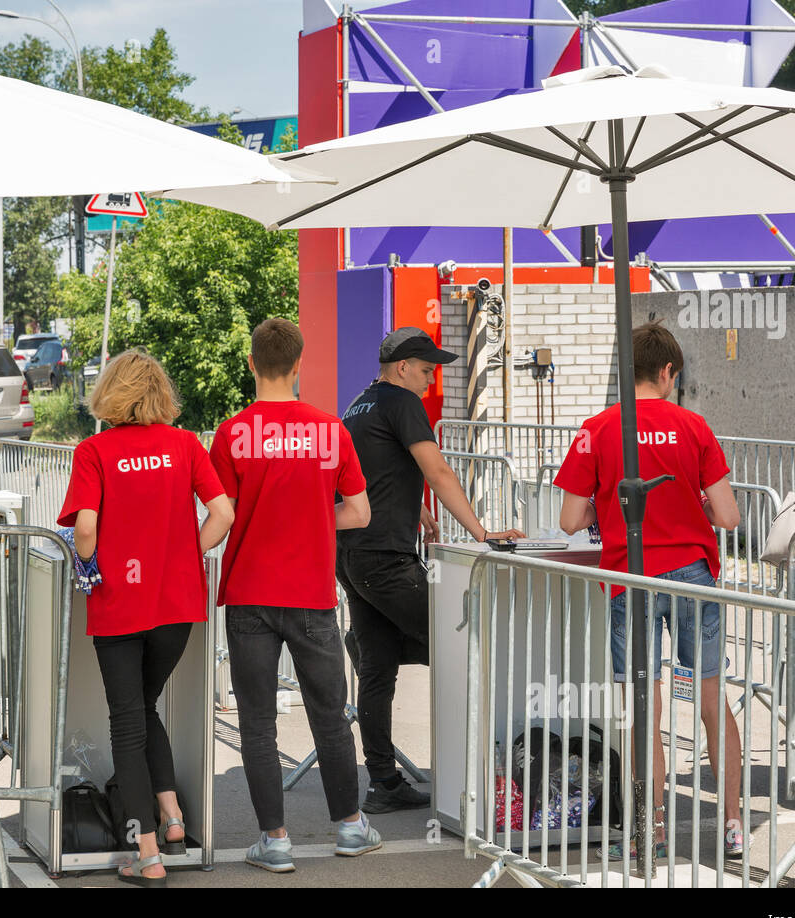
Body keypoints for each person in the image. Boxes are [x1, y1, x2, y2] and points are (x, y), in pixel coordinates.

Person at [555, 322, 745, 860]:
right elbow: (729, 515)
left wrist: (605, 508)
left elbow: (570, 519)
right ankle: (731, 824)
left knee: (643, 713)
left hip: (630, 576)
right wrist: (699, 508)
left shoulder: (597, 428)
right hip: (692, 574)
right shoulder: (694, 425)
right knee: (711, 701)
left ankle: (650, 828)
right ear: (667, 372)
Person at [209, 317, 379, 873]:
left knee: (257, 724)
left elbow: (222, 515)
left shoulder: (232, 434)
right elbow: (359, 511)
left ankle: (275, 841)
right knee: (329, 716)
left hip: (250, 596)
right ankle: (350, 828)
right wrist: (312, 516)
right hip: (311, 595)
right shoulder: (332, 431)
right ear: (299, 364)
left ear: (252, 364)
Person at [57, 350, 233, 887]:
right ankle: (173, 817)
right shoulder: (184, 445)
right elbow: (223, 513)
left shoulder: (94, 451)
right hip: (177, 606)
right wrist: (185, 557)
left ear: (110, 393)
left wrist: (87, 564)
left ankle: (148, 852)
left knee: (126, 725)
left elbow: (84, 530)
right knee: (143, 706)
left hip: (118, 606)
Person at [337, 326, 522, 813]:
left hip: (353, 555)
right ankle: (485, 776)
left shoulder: (358, 405)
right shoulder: (403, 404)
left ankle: (382, 783)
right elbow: (437, 469)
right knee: (460, 641)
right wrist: (482, 532)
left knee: (377, 671)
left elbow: (371, 473)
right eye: (425, 370)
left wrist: (413, 506)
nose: (430, 380)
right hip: (385, 558)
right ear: (402, 368)